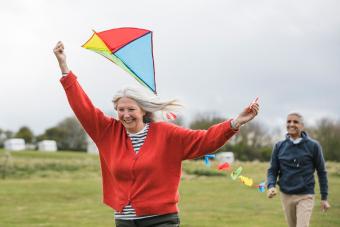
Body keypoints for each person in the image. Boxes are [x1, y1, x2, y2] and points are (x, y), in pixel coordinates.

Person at [53, 41, 259, 227]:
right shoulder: (107, 132)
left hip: (160, 220)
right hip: (124, 220)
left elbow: (205, 140)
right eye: (120, 109)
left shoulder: (166, 134)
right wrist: (64, 68)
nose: (125, 115)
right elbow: (83, 107)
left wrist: (234, 123)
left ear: (143, 110)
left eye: (131, 109)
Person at [267, 112, 331, 227]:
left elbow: (322, 172)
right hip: (286, 195)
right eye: (289, 121)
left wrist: (324, 198)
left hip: (305, 195)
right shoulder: (279, 146)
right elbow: (272, 170)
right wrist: (271, 186)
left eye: (295, 122)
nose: (291, 124)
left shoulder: (313, 146)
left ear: (302, 126)